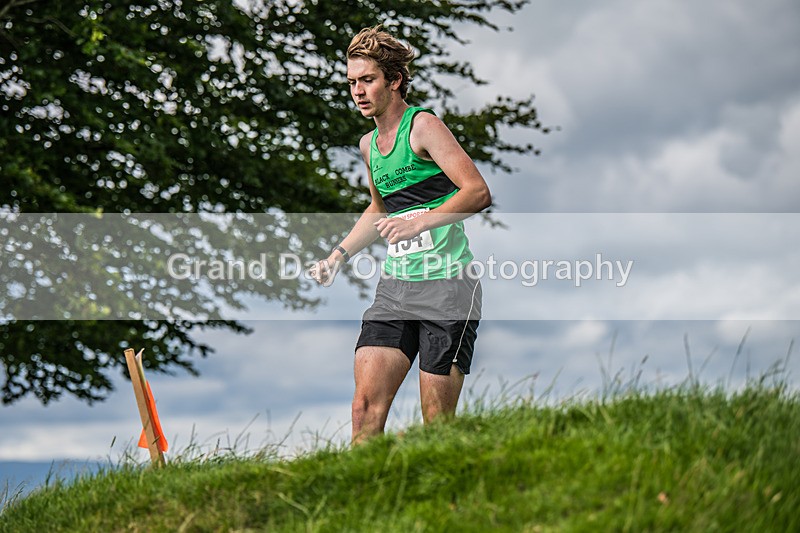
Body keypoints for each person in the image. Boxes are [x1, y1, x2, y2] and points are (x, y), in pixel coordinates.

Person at [310, 26, 491, 444]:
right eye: (351, 82)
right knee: (363, 410)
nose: (358, 91)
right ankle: (363, 485)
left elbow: (477, 192)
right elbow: (378, 208)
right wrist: (337, 256)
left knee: (437, 424)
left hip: (449, 286)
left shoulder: (423, 126)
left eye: (367, 80)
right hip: (396, 289)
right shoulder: (369, 145)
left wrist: (419, 222)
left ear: (394, 80)